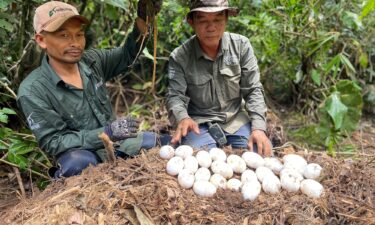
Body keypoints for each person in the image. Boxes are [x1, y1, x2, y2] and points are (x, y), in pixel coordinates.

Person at [17, 0, 165, 178]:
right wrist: (106, 133)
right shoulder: (33, 90)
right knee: (76, 166)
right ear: (41, 40)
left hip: (119, 145)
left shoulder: (93, 61)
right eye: (64, 36)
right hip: (83, 153)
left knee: (163, 144)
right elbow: (53, 142)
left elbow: (127, 55)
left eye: (79, 35)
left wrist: (144, 18)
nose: (75, 43)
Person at [166, 0, 272, 156]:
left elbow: (253, 90)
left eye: (217, 19)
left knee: (257, 155)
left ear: (226, 19)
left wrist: (258, 128)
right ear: (191, 22)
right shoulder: (180, 57)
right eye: (203, 20)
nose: (211, 28)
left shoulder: (241, 46)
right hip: (198, 124)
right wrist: (182, 118)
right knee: (200, 160)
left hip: (236, 121)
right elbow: (175, 96)